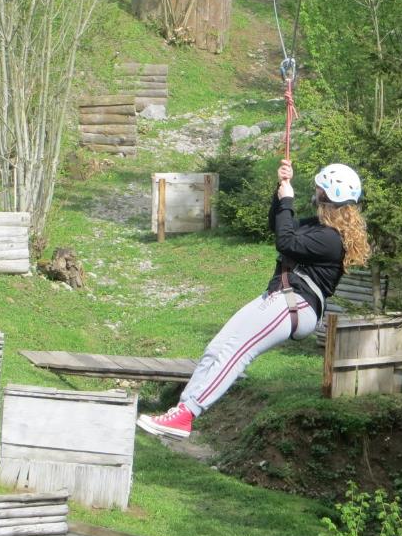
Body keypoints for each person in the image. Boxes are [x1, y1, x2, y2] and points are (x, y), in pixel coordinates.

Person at [136, 159, 372, 439]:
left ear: (328, 195)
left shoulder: (331, 239)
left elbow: (285, 242)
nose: (315, 191)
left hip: (295, 304)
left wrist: (288, 200)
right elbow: (280, 225)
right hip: (282, 298)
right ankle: (181, 411)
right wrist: (280, 190)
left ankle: (187, 414)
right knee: (218, 347)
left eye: (319, 188)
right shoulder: (318, 227)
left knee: (235, 352)